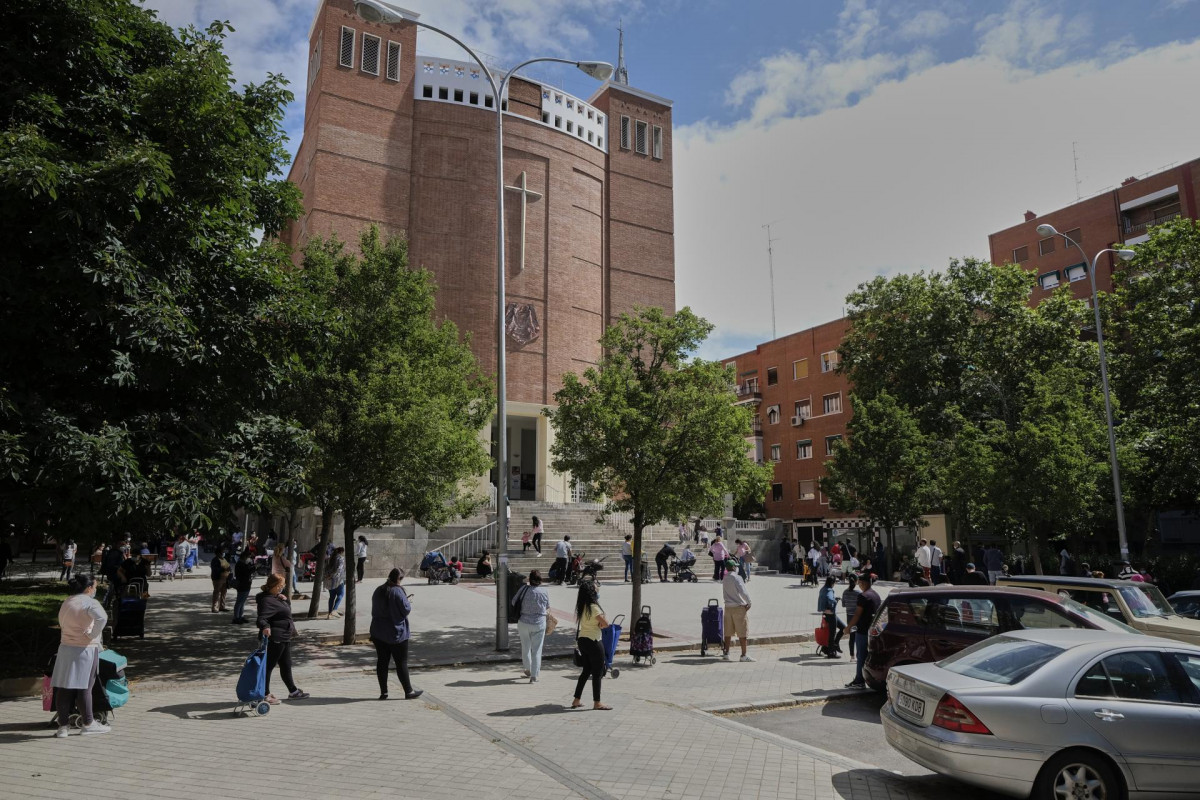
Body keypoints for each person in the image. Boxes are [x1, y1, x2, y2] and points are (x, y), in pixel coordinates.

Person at [51, 574, 110, 736]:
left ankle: (63, 726)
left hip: (66, 647)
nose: (96, 590)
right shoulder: (90, 602)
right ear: (89, 588)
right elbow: (103, 618)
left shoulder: (68, 601)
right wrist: (92, 635)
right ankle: (88, 723)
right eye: (95, 587)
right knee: (85, 687)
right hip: (85, 648)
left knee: (64, 687)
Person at [369, 567, 422, 700]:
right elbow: (405, 610)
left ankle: (384, 692)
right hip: (396, 632)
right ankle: (408, 691)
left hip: (378, 631)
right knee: (401, 662)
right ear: (399, 579)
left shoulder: (379, 590)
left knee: (382, 661)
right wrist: (408, 602)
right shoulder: (397, 591)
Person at [255, 574, 309, 703]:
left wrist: (285, 600)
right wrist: (265, 626)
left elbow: (286, 611)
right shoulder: (266, 600)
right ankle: (265, 694)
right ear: (274, 585)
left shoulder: (276, 597)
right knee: (268, 666)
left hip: (285, 636)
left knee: (286, 664)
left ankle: (293, 691)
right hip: (276, 638)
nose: (282, 587)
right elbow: (261, 618)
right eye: (281, 585)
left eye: (283, 585)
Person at [571, 578, 612, 710]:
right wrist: (601, 624)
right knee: (598, 672)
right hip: (594, 641)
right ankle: (597, 702)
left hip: (583, 640)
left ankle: (576, 700)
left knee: (586, 671)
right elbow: (606, 623)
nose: (597, 589)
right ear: (592, 592)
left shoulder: (582, 606)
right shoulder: (594, 607)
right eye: (595, 587)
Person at [845, 573, 882, 689]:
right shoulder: (876, 595)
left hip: (862, 630)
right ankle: (867, 679)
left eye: (859, 583)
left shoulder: (863, 596)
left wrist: (848, 627)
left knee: (861, 655)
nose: (859, 585)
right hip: (873, 630)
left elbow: (857, 615)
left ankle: (859, 680)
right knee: (867, 656)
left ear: (863, 583)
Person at [516, 570, 551, 683]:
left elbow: (513, 602)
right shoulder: (544, 591)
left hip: (523, 622)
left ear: (529, 580)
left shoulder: (523, 589)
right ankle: (534, 676)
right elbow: (547, 606)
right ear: (540, 580)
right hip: (539, 623)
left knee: (525, 646)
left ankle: (527, 668)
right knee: (537, 650)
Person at [721, 558, 754, 662]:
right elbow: (743, 591)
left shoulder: (725, 578)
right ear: (734, 567)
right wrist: (749, 602)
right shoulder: (737, 578)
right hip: (738, 607)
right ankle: (743, 655)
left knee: (728, 632)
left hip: (728, 607)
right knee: (742, 632)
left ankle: (726, 653)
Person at [817, 576, 844, 658]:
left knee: (843, 628)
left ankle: (831, 646)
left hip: (825, 614)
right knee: (833, 633)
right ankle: (831, 652)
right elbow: (829, 598)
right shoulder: (829, 590)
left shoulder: (823, 589)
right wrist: (835, 601)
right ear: (832, 583)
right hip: (831, 614)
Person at [231, 549, 254, 624]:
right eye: (248, 557)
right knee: (239, 601)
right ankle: (236, 617)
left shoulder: (243, 563)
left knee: (243, 602)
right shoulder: (240, 564)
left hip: (246, 584)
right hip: (242, 585)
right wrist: (254, 568)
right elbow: (246, 572)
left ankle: (240, 616)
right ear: (244, 557)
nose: (249, 559)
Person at [841, 574, 860, 658]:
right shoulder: (858, 593)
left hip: (849, 616)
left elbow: (843, 605)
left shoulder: (845, 592)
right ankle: (859, 654)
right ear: (856, 582)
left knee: (852, 636)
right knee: (859, 636)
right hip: (857, 617)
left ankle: (852, 656)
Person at [326, 546, 347, 618]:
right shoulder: (341, 558)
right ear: (342, 552)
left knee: (331, 597)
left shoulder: (330, 558)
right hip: (338, 580)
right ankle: (334, 610)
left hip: (329, 580)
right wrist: (332, 576)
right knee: (341, 594)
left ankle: (329, 613)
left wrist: (328, 576)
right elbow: (339, 569)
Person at [210, 546, 231, 613]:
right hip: (218, 579)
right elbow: (215, 570)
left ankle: (222, 606)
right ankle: (214, 608)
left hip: (225, 579)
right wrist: (224, 569)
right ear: (219, 552)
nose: (224, 552)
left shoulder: (224, 559)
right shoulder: (215, 560)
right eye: (223, 551)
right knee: (217, 593)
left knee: (224, 593)